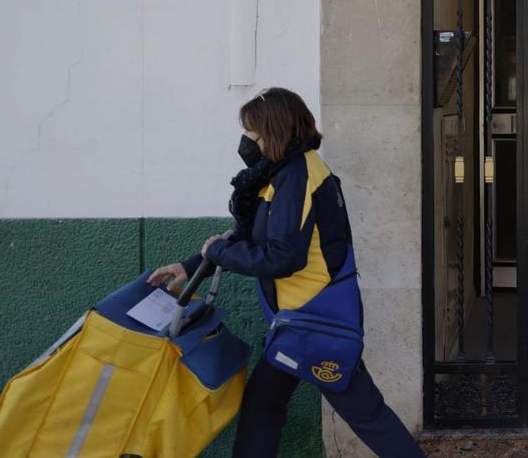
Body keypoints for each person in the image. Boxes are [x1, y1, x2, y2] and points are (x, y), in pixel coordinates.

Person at [148, 87, 425, 458]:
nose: (246, 141)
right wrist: (191, 265)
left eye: (252, 131)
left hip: (314, 320)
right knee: (265, 408)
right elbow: (249, 238)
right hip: (300, 322)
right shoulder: (282, 175)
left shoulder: (298, 177)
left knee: (363, 413)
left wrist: (218, 251)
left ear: (273, 131)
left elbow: (281, 257)